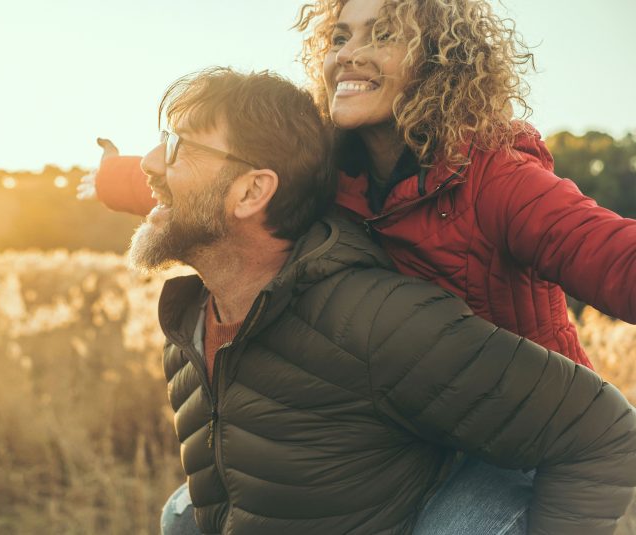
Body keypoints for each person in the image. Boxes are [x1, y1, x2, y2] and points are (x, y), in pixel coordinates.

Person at [132, 66, 636, 535]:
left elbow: (601, 433)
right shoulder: (189, 325)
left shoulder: (378, 323)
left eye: (178, 147)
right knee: (180, 514)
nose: (150, 163)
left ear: (251, 193)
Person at [79, 0, 636, 370]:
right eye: (340, 36)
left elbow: (611, 257)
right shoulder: (328, 168)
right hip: (410, 427)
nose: (348, 53)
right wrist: (118, 179)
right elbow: (217, 188)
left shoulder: (497, 178)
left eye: (384, 35)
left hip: (525, 438)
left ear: (440, 60)